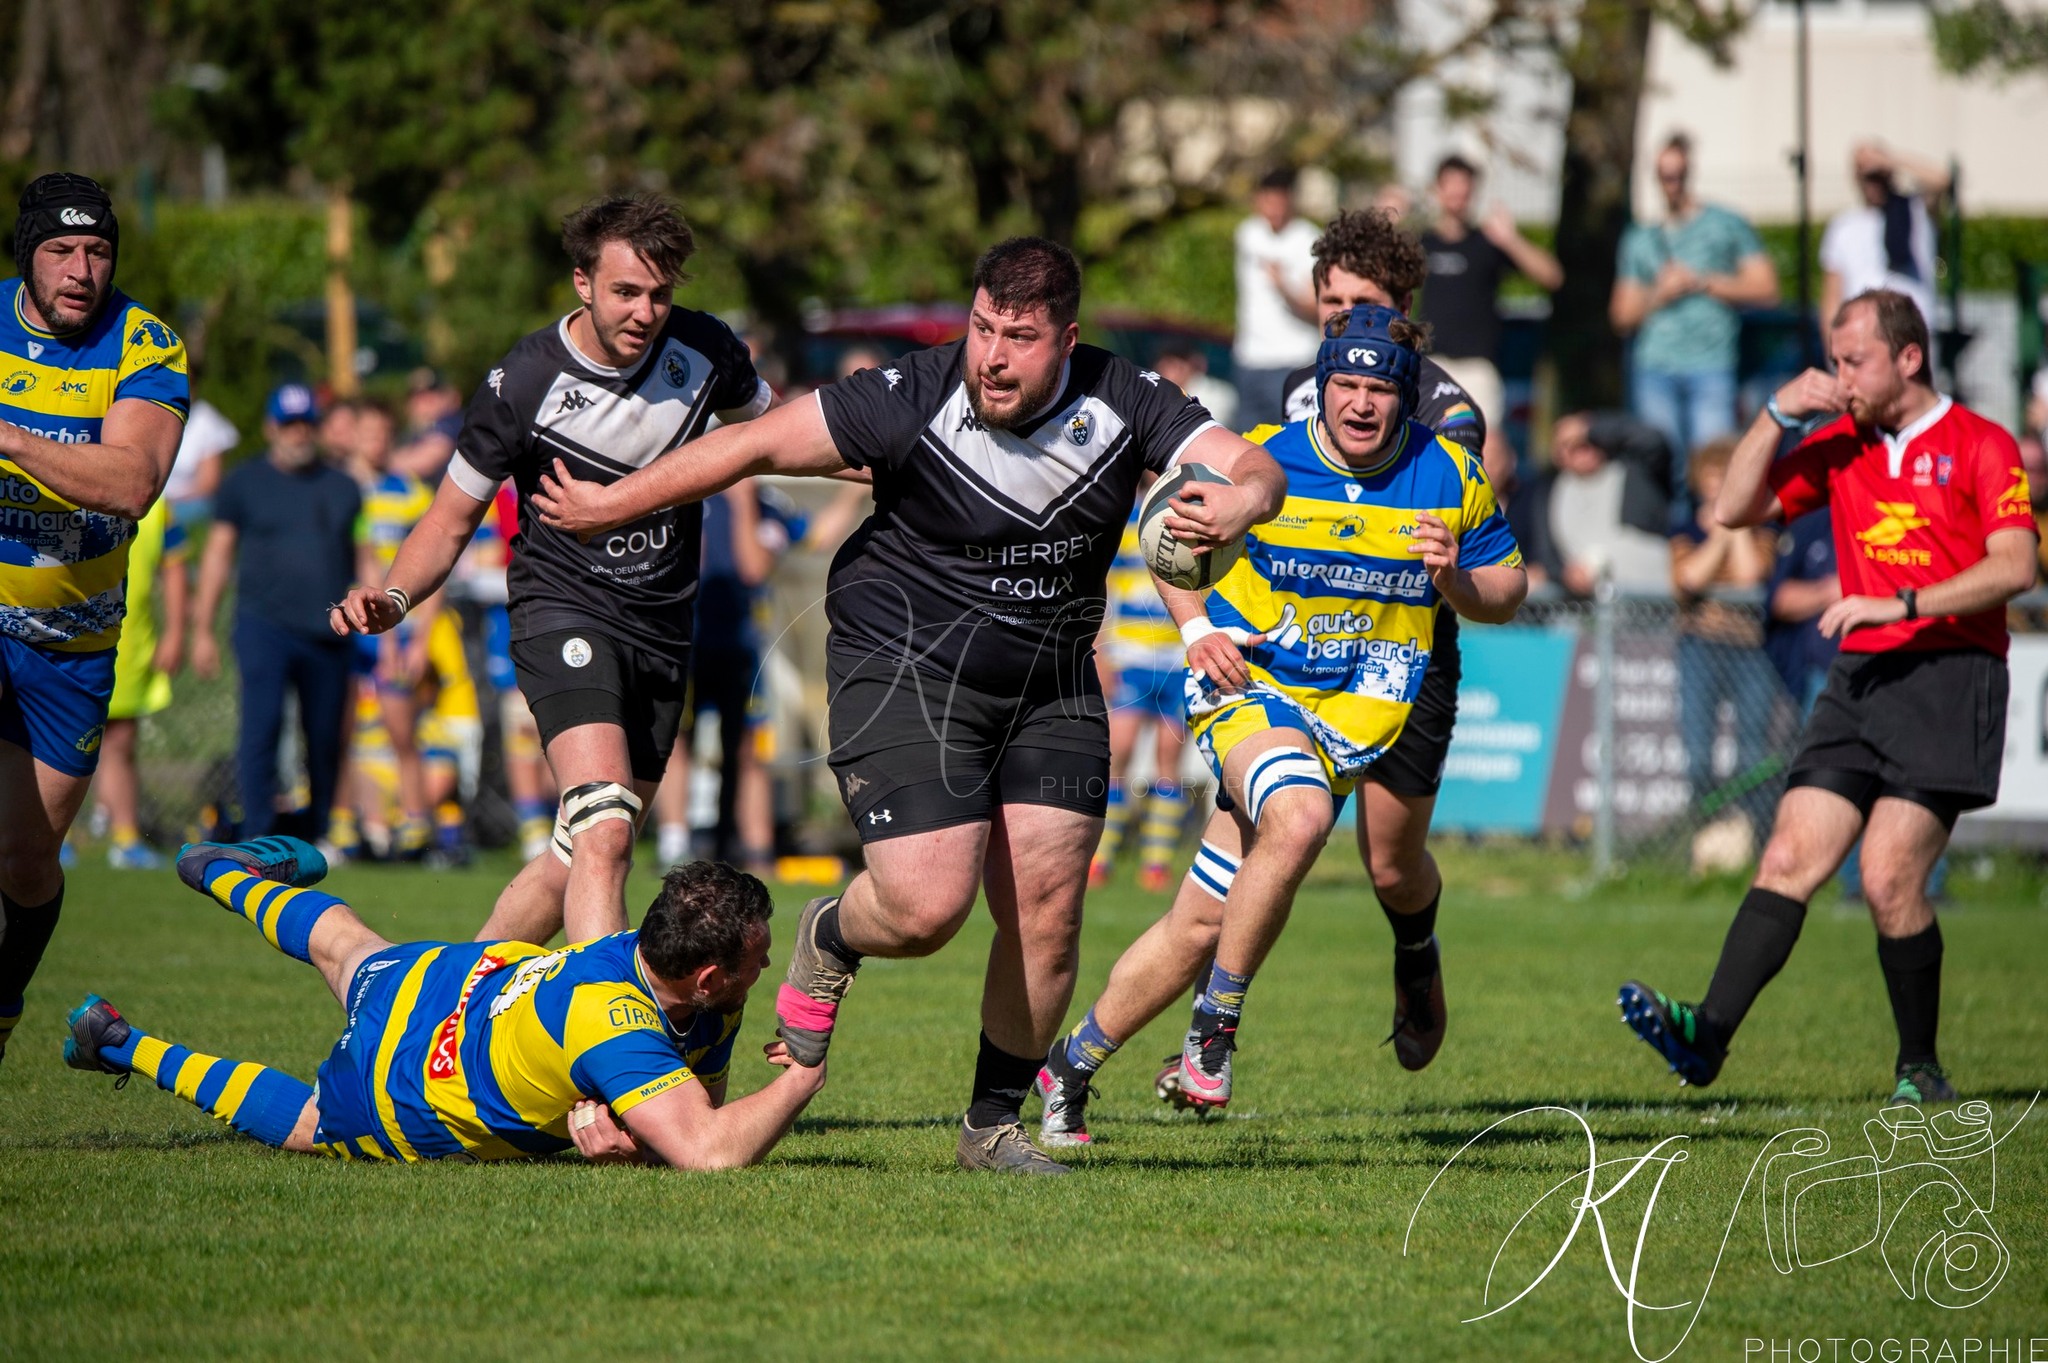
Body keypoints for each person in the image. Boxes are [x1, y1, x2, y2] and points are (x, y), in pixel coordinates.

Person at [530, 236, 1286, 1173]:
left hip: (1049, 681)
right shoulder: (912, 396)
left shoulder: (1124, 397)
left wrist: (1241, 505)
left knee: (1048, 911)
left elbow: (1251, 464)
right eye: (981, 328)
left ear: (1067, 340)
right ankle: (832, 929)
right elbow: (754, 442)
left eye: (1018, 337)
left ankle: (990, 1126)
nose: (992, 355)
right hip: (904, 669)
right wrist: (615, 503)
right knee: (928, 910)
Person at [1035, 306, 1527, 1143]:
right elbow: (1164, 527)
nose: (1361, 404)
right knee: (1298, 817)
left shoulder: (1451, 475)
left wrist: (1454, 579)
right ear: (1323, 386)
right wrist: (1197, 630)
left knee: (1199, 919)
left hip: (1354, 711)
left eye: (1379, 389)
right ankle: (1212, 1033)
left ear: (1405, 396)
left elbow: (1507, 590)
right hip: (1250, 685)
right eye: (1346, 384)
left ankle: (1066, 1069)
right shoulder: (1267, 461)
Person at [1620, 289, 2039, 1105]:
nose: (1839, 376)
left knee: (1887, 879)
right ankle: (1706, 1036)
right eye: (1834, 360)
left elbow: (2016, 565)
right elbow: (1731, 508)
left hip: (1949, 677)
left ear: (1908, 358)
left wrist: (1903, 602)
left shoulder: (1981, 443)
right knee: (1786, 858)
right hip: (1860, 680)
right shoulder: (1842, 444)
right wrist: (1777, 411)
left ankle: (1919, 1065)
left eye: (1855, 361)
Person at [332, 194, 771, 945]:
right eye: (625, 292)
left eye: (660, 294)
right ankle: (611, 1036)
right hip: (562, 611)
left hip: (662, 630)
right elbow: (447, 518)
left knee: (584, 851)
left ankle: (452, 1005)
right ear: (583, 283)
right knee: (603, 831)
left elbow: (790, 432)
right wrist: (397, 594)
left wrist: (900, 462)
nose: (644, 311)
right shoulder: (525, 381)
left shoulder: (705, 353)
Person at [61, 840, 824, 1168]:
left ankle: (223, 872)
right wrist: (799, 1078)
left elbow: (694, 1105)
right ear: (708, 974)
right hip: (411, 1085)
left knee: (351, 949)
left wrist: (635, 1131)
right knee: (309, 1123)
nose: (768, 962)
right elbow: (709, 1148)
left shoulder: (652, 963)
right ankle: (118, 1040)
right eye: (758, 956)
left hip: (456, 982)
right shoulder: (617, 1025)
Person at [1274, 209, 1495, 1015]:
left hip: (1406, 655)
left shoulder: (1449, 409)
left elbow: (1454, 530)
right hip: (1301, 653)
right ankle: (1208, 1028)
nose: (1341, 315)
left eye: (1360, 299)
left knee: (1392, 866)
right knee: (1266, 843)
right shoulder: (1300, 391)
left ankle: (1415, 951)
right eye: (1329, 300)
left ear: (1405, 303)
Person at [0, 173, 189, 1072]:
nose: (81, 270)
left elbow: (132, 482)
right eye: (60, 251)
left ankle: (4, 1004)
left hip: (70, 647)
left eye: (98, 251)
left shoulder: (145, 342)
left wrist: (9, 437)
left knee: (27, 864)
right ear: (26, 255)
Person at [193, 384, 360, 842]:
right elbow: (217, 554)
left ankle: (320, 832)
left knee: (325, 737)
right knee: (260, 730)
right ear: (270, 428)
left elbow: (363, 557)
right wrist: (202, 628)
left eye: (306, 422)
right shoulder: (243, 483)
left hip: (329, 629)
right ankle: (259, 834)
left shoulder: (343, 486)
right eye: (289, 424)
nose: (298, 433)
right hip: (263, 625)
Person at [1612, 133, 1780, 502]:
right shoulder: (1641, 238)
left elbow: (1767, 288)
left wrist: (1702, 281)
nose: (1670, 183)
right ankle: (1674, 547)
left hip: (1711, 365)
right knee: (1662, 468)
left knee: (1715, 466)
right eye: (1663, 175)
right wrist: (1660, 293)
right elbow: (1622, 315)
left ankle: (1719, 544)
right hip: (1654, 367)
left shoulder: (1726, 224)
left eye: (1677, 174)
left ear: (1690, 171)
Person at [653, 479, 805, 876]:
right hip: (687, 641)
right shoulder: (691, 493)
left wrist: (743, 504)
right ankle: (674, 843)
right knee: (675, 739)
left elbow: (753, 568)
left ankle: (755, 849)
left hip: (742, 648)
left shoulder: (768, 504)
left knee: (748, 750)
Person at [1670, 437, 1782, 839]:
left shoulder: (1764, 529)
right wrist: (1721, 533)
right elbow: (1690, 577)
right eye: (1712, 476)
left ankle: (1752, 838)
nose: (1718, 485)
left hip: (1752, 650)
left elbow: (1753, 573)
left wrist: (1736, 523)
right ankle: (1704, 834)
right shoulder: (1684, 528)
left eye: (1727, 476)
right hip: (1699, 645)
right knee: (1698, 754)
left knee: (1752, 752)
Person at [1415, 154, 1562, 434]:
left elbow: (1551, 276)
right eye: (1451, 185)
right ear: (1438, 189)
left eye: (1464, 185)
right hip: (1432, 363)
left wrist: (1511, 240)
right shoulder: (1423, 243)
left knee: (1486, 448)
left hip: (1478, 367)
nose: (1458, 192)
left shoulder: (1488, 242)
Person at [1088, 503, 1192, 893]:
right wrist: (1100, 650)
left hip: (1176, 658)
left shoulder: (1191, 516)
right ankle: (1101, 858)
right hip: (1130, 654)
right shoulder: (1122, 515)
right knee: (1119, 749)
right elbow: (1102, 585)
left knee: (1170, 756)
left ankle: (1156, 862)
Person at [95, 497, 190, 869]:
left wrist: (176, 633)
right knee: (53, 738)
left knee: (121, 739)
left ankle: (125, 836)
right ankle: (55, 837)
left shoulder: (156, 504)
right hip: (61, 634)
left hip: (131, 641)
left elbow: (176, 566)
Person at [1522, 412, 1672, 597]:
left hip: (1649, 597)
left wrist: (1590, 428)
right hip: (1591, 607)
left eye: (1587, 443)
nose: (1582, 451)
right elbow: (1545, 553)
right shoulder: (1547, 491)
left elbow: (1653, 441)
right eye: (1570, 446)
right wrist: (1565, 574)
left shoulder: (1635, 472)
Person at [1820, 142, 1949, 336]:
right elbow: (1832, 296)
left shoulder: (1916, 210)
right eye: (1867, 177)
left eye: (1878, 176)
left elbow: (1941, 180)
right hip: (1863, 334)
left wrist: (1890, 160)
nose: (1874, 184)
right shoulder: (1843, 226)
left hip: (1914, 330)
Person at [1232, 169, 1322, 430]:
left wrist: (1283, 286)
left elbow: (1315, 307)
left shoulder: (1308, 239)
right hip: (1249, 359)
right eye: (1268, 199)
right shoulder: (1247, 233)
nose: (1274, 208)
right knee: (1248, 445)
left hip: (1291, 360)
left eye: (1280, 200)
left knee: (1292, 441)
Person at [162, 392, 235, 530]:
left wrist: (169, 503)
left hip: (187, 504)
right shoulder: (153, 411)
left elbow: (208, 484)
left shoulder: (206, 420)